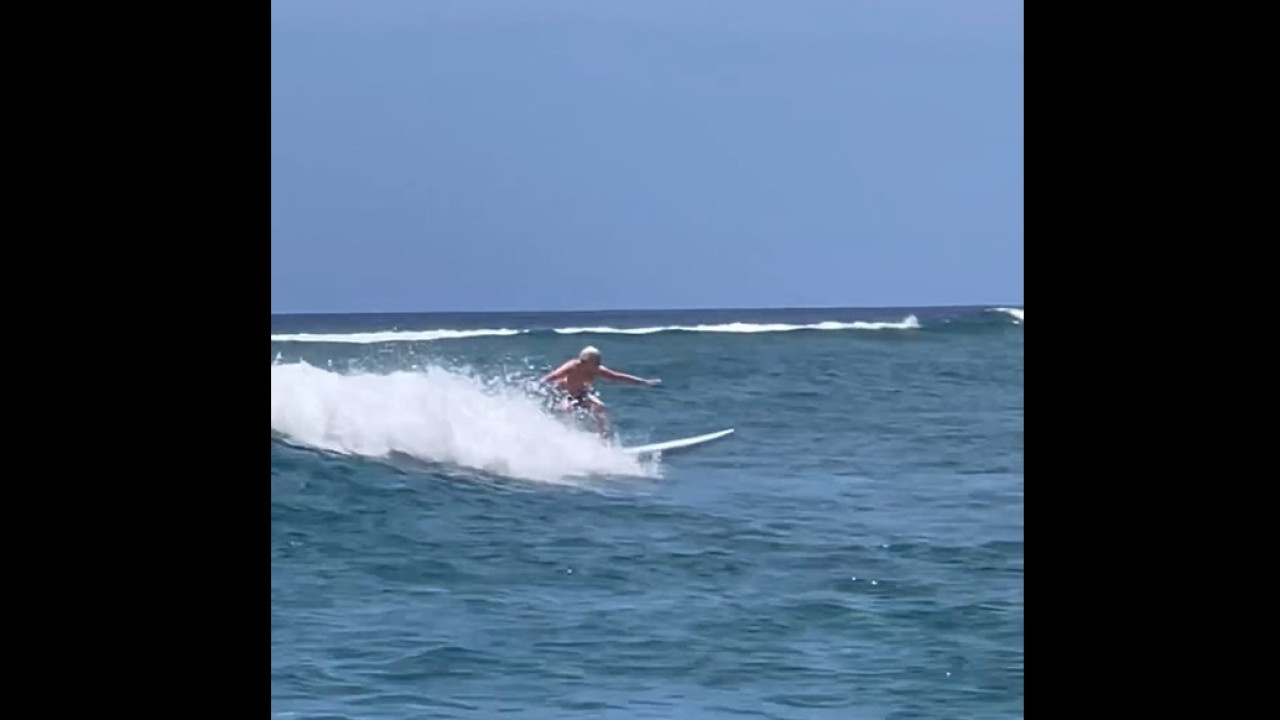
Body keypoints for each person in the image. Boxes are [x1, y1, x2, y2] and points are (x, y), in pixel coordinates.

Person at [539, 346, 660, 438]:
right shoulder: (572, 366)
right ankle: (570, 437)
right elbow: (555, 375)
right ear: (584, 361)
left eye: (598, 361)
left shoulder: (597, 370)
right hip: (564, 394)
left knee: (600, 407)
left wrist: (643, 382)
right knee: (569, 410)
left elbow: (618, 377)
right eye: (595, 361)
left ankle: (603, 438)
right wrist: (541, 382)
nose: (598, 364)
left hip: (582, 394)